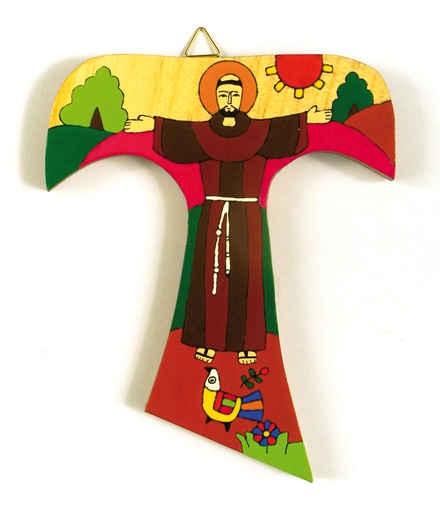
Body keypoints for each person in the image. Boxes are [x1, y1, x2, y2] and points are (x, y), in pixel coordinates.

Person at [125, 61, 331, 365]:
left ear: (244, 98)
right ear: (215, 98)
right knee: (209, 280)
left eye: (235, 95)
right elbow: (179, 132)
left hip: (248, 217)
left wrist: (307, 120)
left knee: (248, 281)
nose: (229, 100)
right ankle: (206, 342)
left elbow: (282, 128)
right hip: (213, 217)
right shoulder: (202, 133)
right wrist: (152, 125)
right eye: (223, 95)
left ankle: (247, 345)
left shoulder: (260, 131)